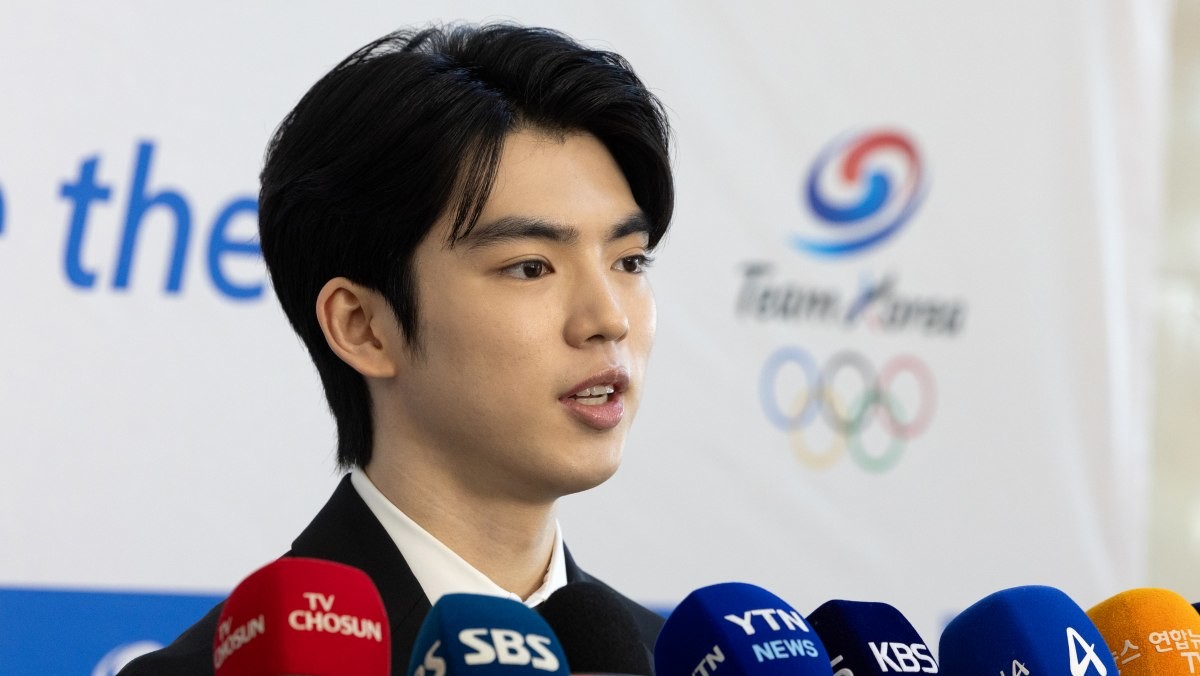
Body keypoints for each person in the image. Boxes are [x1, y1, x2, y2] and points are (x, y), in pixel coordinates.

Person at [120, 21, 673, 675]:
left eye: (629, 261)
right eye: (531, 267)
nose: (609, 319)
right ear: (362, 326)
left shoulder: (672, 659)